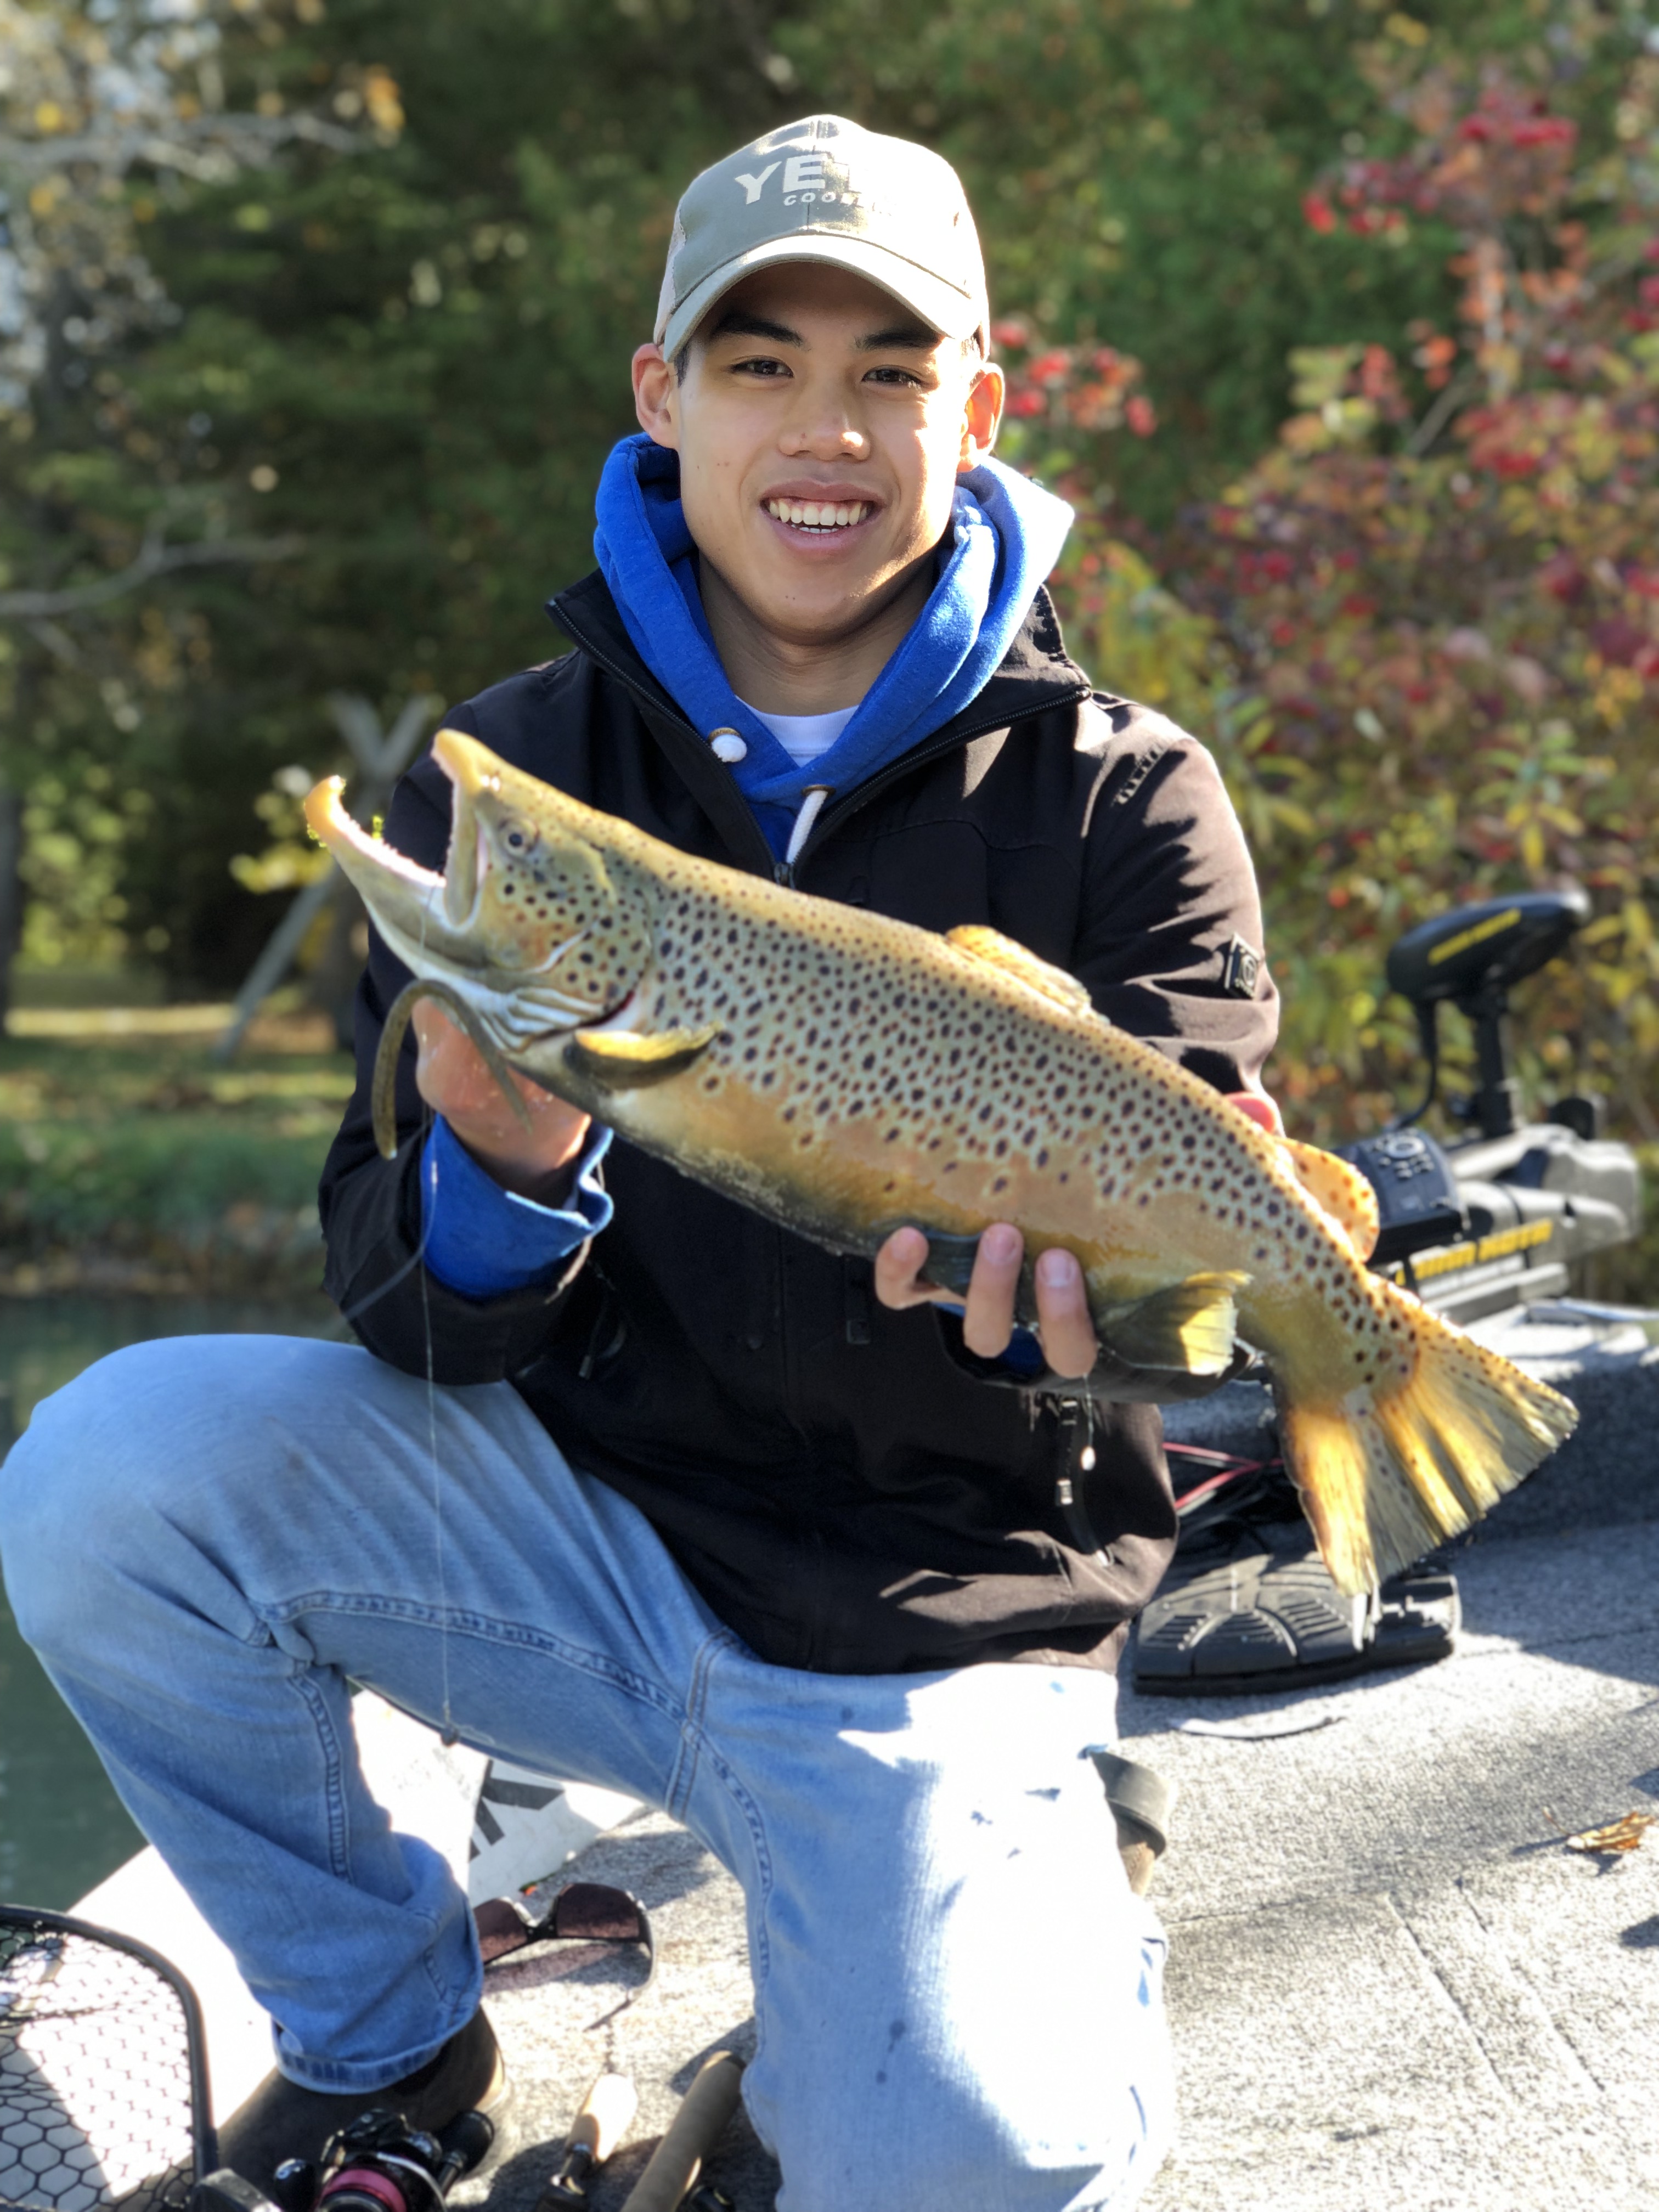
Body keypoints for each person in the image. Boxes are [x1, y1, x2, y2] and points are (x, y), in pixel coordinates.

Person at [0, 117, 1277, 2210]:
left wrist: (1110, 1317)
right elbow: (405, 1313)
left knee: (982, 2174)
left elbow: (1180, 1311)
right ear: (659, 395)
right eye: (760, 361)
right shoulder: (510, 783)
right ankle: (391, 2046)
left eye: (890, 368)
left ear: (982, 402)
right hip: (582, 1562)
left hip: (947, 1634)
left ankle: (1039, 1888)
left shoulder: (1131, 799)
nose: (826, 427)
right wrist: (502, 1176)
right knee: (104, 1474)